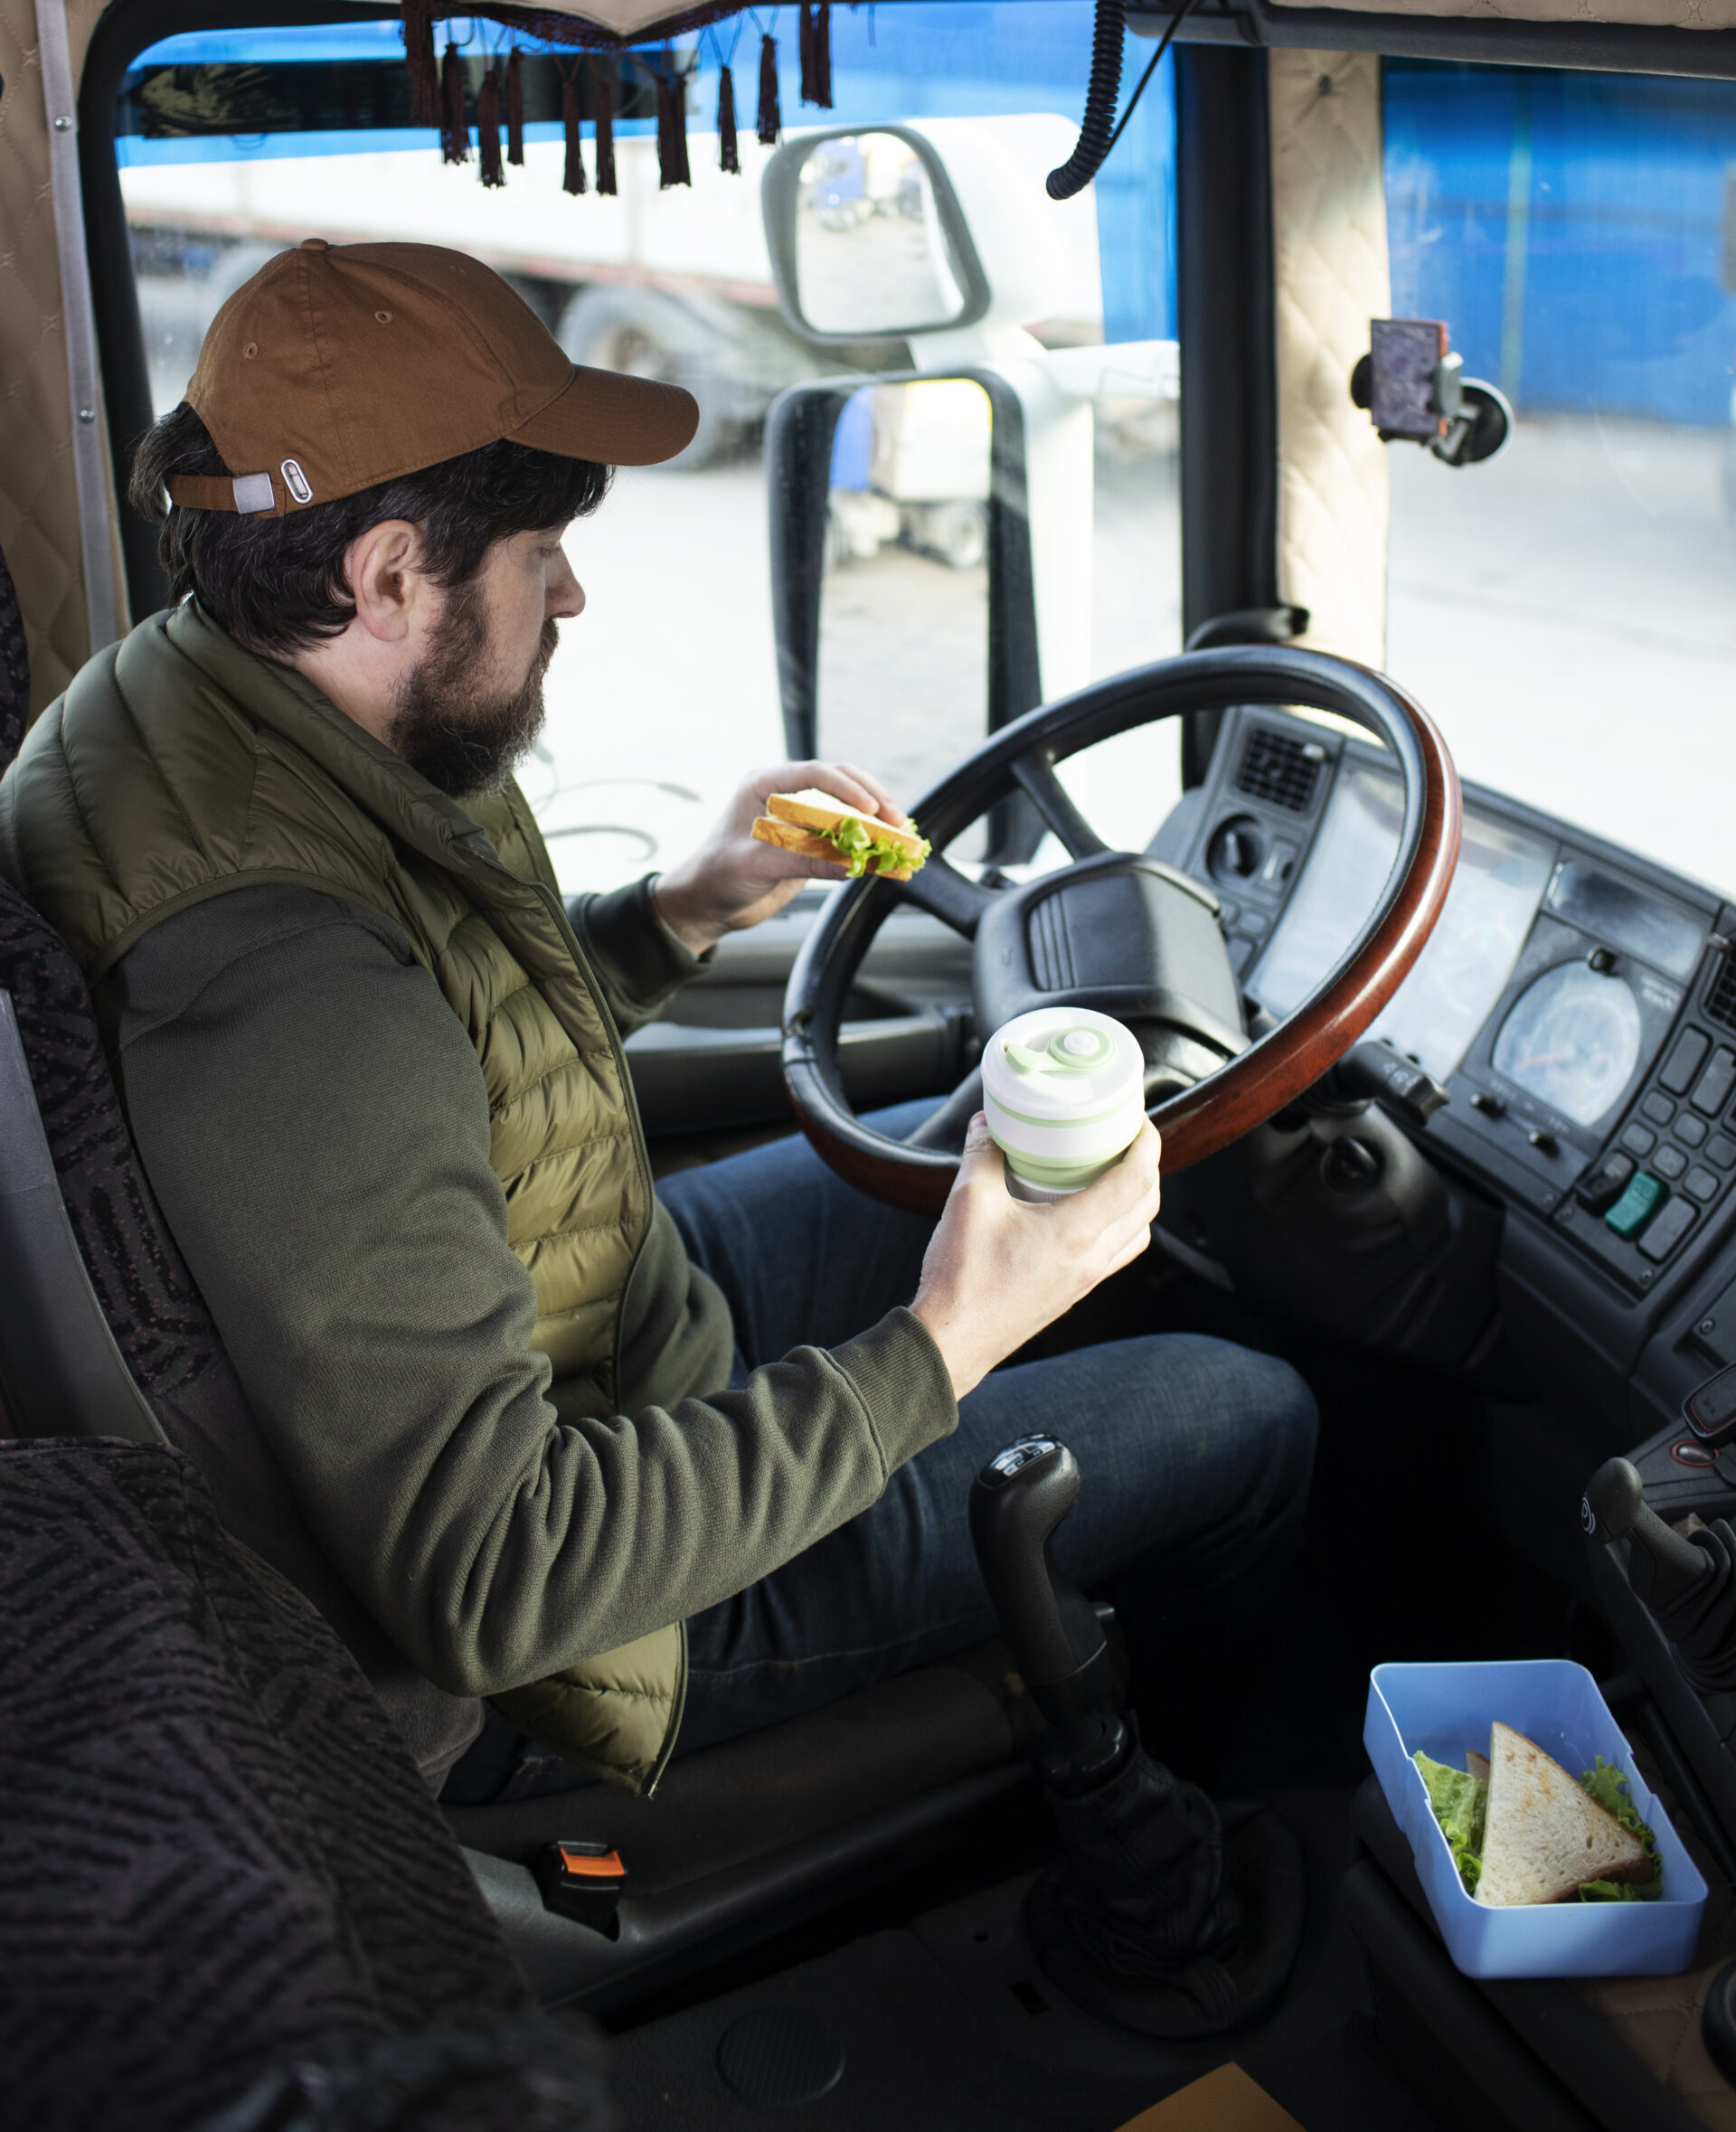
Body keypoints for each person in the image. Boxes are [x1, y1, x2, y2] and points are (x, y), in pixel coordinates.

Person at [0, 240, 1316, 1800]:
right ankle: (1241, 1837)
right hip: (610, 1631)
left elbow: (446, 1062)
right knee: (1254, 1411)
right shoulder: (280, 977)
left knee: (974, 1153)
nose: (572, 592)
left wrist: (673, 911)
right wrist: (946, 1347)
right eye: (541, 551)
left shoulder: (190, 699)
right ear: (388, 574)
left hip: (604, 1317)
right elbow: (500, 1580)